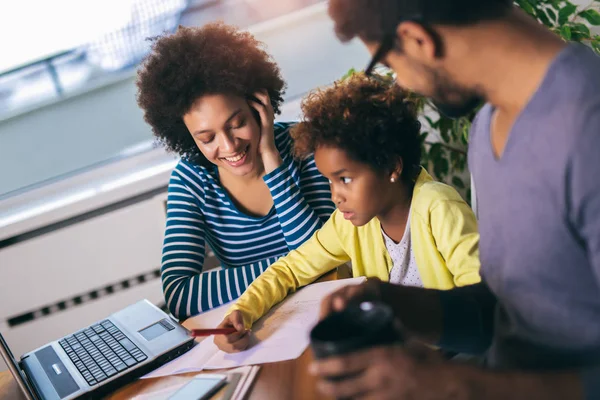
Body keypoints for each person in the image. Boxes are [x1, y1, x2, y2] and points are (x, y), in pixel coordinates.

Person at [310, 0, 600, 399]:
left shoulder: (588, 126)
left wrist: (454, 385)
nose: (405, 84)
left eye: (389, 62)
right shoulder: (488, 127)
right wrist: (395, 303)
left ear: (418, 39)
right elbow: (506, 313)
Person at [213, 72, 481, 353]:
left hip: (450, 367)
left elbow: (481, 309)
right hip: (390, 362)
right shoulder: (349, 223)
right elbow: (289, 270)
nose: (335, 196)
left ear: (391, 166)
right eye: (330, 180)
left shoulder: (438, 208)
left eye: (345, 179)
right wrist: (243, 311)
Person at [136, 23, 335, 319]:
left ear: (259, 105)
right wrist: (297, 267)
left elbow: (331, 261)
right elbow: (179, 295)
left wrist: (270, 156)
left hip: (330, 309)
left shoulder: (303, 145)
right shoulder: (190, 179)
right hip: (257, 324)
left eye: (236, 123)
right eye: (207, 138)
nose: (229, 146)